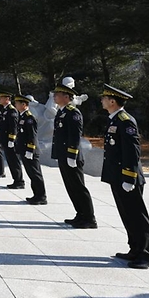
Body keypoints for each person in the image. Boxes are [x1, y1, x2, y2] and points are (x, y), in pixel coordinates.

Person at [101, 84, 149, 269]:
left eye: (104, 98)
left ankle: (147, 255)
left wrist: (129, 177)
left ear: (112, 101)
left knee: (137, 215)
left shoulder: (125, 121)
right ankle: (135, 249)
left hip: (127, 177)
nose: (101, 100)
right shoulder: (114, 119)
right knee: (127, 214)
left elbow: (133, 152)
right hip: (117, 176)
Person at [52, 80, 96, 228]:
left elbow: (75, 136)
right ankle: (80, 214)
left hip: (72, 156)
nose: (54, 97)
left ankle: (89, 218)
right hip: (63, 155)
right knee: (71, 186)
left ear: (66, 96)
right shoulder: (62, 112)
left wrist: (72, 155)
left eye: (57, 94)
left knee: (78, 187)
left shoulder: (73, 112)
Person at [15, 95, 46, 204]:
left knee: (35, 174)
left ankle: (41, 196)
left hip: (30, 151)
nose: (16, 105)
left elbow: (32, 136)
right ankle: (36, 194)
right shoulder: (22, 116)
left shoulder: (29, 118)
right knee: (31, 173)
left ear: (24, 105)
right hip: (25, 149)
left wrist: (30, 150)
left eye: (17, 103)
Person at [0, 91, 23, 189]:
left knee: (14, 161)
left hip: (10, 141)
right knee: (10, 160)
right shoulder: (5, 110)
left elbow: (13, 127)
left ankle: (19, 181)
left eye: (1, 98)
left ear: (7, 99)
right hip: (6, 140)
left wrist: (12, 139)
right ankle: (16, 180)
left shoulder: (11, 111)